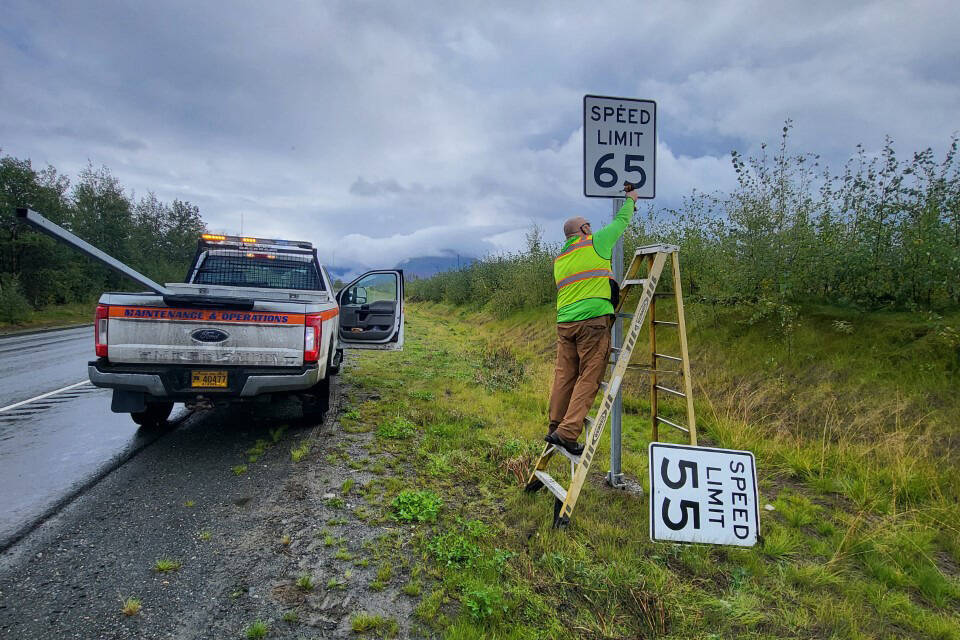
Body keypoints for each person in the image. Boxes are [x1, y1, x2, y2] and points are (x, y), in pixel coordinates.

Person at [545, 187, 639, 454]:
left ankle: (555, 425)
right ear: (585, 229)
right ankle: (568, 432)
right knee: (590, 376)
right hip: (593, 322)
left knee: (564, 375)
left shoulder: (560, 259)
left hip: (565, 323)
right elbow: (620, 222)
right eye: (589, 225)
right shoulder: (595, 241)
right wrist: (631, 201)